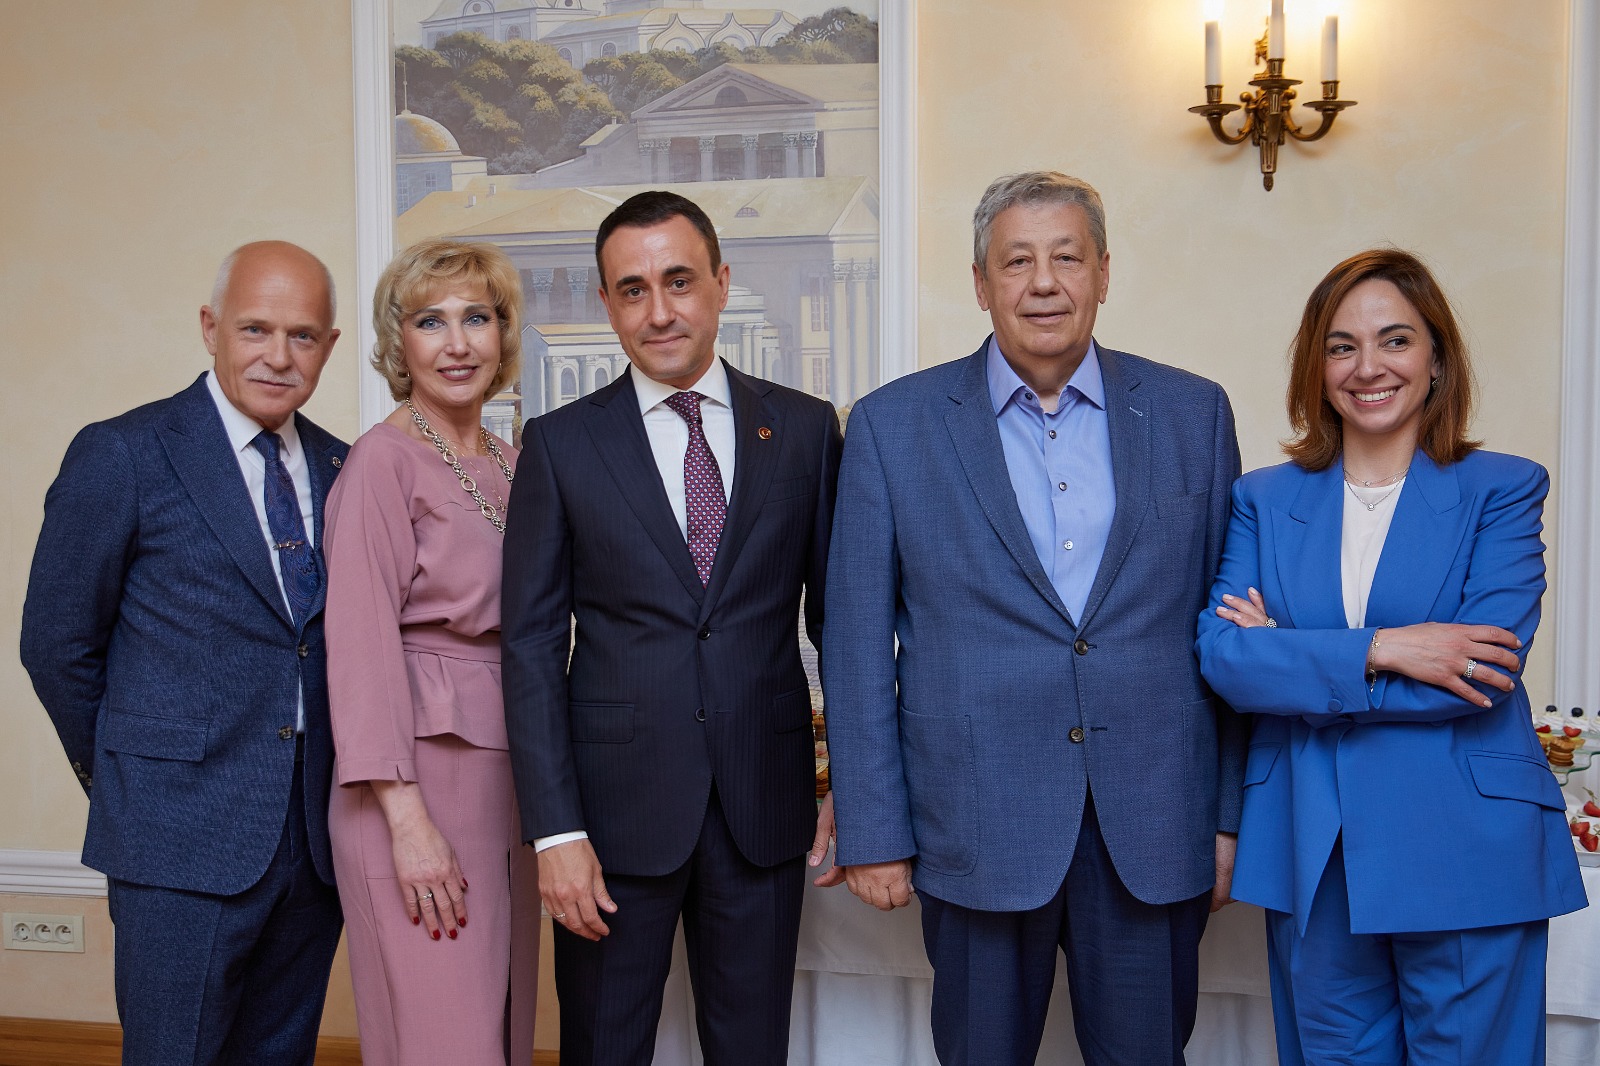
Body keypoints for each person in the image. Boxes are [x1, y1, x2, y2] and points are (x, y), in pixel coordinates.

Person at [822, 171, 1246, 1066]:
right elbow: (855, 647)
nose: (1043, 283)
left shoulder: (1193, 413)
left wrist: (1228, 817)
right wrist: (873, 830)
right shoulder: (892, 426)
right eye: (1017, 261)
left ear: (1104, 274)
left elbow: (1228, 633)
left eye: (1067, 258)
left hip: (1154, 819)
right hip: (975, 818)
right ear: (981, 283)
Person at [1196, 248, 1586, 1065]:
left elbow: (1479, 672)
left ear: (1436, 357)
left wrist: (1295, 662)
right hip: (1314, 845)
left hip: (1465, 842)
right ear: (1317, 367)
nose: (1368, 366)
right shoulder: (1263, 498)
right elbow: (1227, 660)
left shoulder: (1503, 488)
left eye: (1395, 340)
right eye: (1341, 346)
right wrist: (1389, 647)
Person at [502, 190, 843, 1065]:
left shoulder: (805, 430)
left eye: (680, 281)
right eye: (632, 289)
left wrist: (852, 783)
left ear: (721, 283)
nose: (659, 311)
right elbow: (530, 648)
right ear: (607, 302)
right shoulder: (559, 445)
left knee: (751, 1050)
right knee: (604, 1048)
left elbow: (837, 622)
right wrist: (555, 832)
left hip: (764, 808)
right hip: (610, 822)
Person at [20, 241, 347, 1065]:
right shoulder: (124, 453)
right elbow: (56, 645)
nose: (279, 356)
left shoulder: (344, 466)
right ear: (210, 327)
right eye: (255, 329)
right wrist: (134, 777)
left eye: (303, 336)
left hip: (312, 846)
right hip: (173, 837)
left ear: (330, 346)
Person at [323, 238, 538, 1065]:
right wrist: (407, 820)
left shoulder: (514, 465)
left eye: (476, 318)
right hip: (413, 783)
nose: (457, 343)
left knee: (498, 1032)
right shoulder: (382, 461)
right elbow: (358, 647)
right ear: (399, 342)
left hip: (508, 776)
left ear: (502, 334)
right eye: (430, 321)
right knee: (445, 1044)